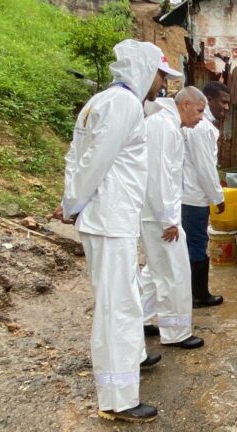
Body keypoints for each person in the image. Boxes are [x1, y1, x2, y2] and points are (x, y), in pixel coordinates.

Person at [51, 40, 179, 423]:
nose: (162, 85)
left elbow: (75, 158)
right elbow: (94, 161)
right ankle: (117, 398)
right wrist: (72, 204)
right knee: (117, 309)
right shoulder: (123, 104)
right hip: (110, 220)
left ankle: (130, 365)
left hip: (109, 219)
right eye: (160, 76)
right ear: (142, 69)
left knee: (123, 302)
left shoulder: (100, 102)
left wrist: (72, 200)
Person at [140, 87, 208, 349]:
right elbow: (158, 174)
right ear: (185, 104)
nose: (201, 117)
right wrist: (169, 219)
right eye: (199, 110)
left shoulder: (164, 124)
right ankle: (176, 333)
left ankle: (142, 319)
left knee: (155, 270)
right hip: (160, 214)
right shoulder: (164, 127)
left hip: (155, 211)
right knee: (174, 273)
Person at [181, 81, 231, 308]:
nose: (226, 107)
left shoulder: (201, 125)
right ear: (208, 100)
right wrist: (218, 197)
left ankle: (193, 293)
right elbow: (205, 167)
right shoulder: (201, 127)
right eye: (223, 102)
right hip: (193, 196)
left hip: (189, 193)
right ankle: (198, 295)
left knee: (191, 242)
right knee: (197, 243)